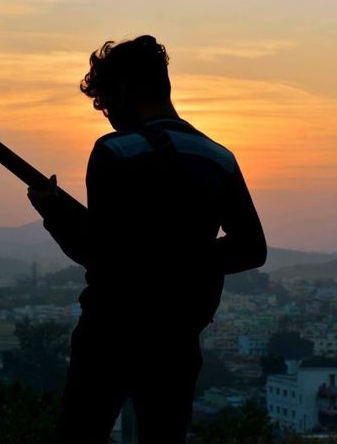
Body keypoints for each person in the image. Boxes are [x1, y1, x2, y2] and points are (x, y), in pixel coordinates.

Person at [27, 35, 267, 444]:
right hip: (177, 338)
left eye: (105, 101)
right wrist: (188, 259)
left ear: (123, 89)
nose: (106, 115)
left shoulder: (115, 151)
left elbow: (99, 254)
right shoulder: (219, 157)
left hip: (110, 333)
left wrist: (53, 213)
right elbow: (252, 249)